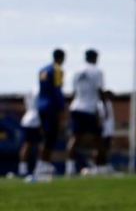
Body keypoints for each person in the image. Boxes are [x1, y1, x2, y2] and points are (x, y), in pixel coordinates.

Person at [66, 49, 104, 176]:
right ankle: (97, 167)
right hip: (90, 108)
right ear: (95, 58)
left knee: (75, 138)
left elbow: (73, 92)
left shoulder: (76, 71)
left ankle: (69, 168)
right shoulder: (97, 71)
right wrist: (104, 108)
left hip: (76, 107)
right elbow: (99, 91)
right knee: (98, 139)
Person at [34, 48, 66, 179]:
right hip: (51, 106)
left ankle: (42, 163)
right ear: (62, 58)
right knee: (51, 137)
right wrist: (62, 107)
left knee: (46, 136)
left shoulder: (43, 70)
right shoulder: (57, 70)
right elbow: (57, 90)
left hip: (41, 106)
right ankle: (43, 164)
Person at [18, 91, 41, 178]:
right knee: (39, 145)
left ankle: (22, 169)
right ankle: (39, 168)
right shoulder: (39, 90)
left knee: (27, 145)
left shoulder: (28, 91)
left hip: (27, 119)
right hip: (37, 120)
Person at [96, 90, 115, 173]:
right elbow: (100, 118)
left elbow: (110, 118)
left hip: (109, 130)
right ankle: (98, 165)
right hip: (102, 130)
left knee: (107, 148)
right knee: (101, 148)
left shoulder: (109, 104)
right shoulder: (99, 104)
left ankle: (104, 164)